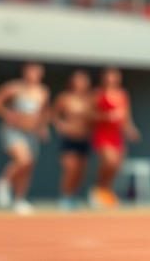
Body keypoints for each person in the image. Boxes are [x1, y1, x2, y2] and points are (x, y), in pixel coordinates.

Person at [0, 62, 50, 215]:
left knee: (28, 167)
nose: (34, 75)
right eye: (31, 71)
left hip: (32, 133)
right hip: (14, 131)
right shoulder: (14, 87)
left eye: (37, 72)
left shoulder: (43, 91)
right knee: (23, 159)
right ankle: (2, 182)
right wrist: (6, 113)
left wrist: (43, 127)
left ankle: (19, 200)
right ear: (25, 72)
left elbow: (43, 112)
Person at [89, 67, 140, 209]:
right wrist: (107, 116)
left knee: (117, 165)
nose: (112, 79)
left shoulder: (123, 94)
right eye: (109, 76)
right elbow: (90, 115)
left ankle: (107, 192)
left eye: (115, 76)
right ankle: (98, 190)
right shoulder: (98, 93)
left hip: (116, 135)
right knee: (109, 161)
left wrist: (131, 130)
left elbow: (126, 117)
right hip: (103, 133)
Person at [52, 69, 93, 210]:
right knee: (70, 169)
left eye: (84, 80)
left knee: (81, 171)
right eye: (78, 80)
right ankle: (64, 197)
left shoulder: (90, 99)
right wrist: (60, 126)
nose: (81, 83)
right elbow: (53, 114)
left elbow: (95, 117)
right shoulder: (65, 98)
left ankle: (73, 197)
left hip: (85, 139)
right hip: (69, 138)